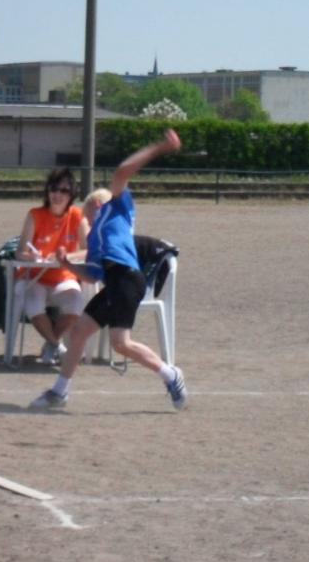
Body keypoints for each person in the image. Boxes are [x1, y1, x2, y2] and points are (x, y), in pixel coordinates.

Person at [30, 129, 187, 411]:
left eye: (91, 207)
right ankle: (59, 392)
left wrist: (160, 147)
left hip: (128, 278)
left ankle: (170, 374)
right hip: (113, 282)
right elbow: (92, 275)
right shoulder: (94, 239)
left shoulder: (117, 209)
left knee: (120, 343)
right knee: (79, 332)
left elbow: (124, 170)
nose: (88, 213)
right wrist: (67, 263)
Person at [14, 168, 86, 364]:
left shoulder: (77, 215)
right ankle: (57, 345)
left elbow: (88, 251)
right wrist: (31, 257)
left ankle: (50, 345)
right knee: (32, 303)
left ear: (72, 194)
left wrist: (66, 256)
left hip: (63, 276)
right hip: (34, 276)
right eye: (54, 189)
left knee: (76, 303)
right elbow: (20, 252)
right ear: (47, 191)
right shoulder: (35, 215)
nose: (58, 195)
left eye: (64, 191)